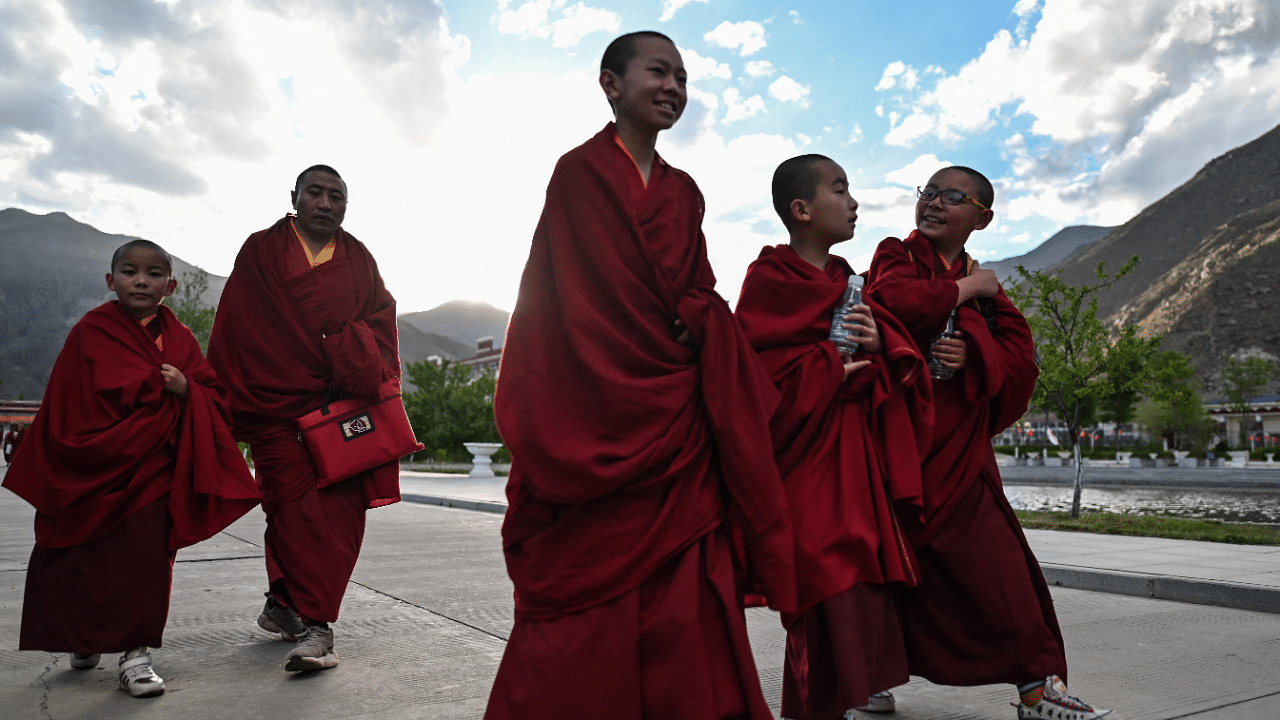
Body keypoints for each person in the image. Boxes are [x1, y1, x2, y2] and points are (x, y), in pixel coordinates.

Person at [484, 30, 795, 720]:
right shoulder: (579, 173)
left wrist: (701, 316)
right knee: (575, 639)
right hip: (594, 408)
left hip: (675, 429)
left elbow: (699, 288)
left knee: (687, 617)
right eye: (659, 72)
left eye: (683, 78)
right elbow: (574, 298)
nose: (674, 88)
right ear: (611, 84)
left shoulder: (685, 193)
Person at [865, 166, 1117, 720]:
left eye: (952, 196)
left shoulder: (987, 288)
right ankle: (866, 680)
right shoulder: (896, 256)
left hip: (959, 459)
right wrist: (962, 291)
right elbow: (892, 304)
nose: (933, 203)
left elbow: (1019, 358)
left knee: (999, 568)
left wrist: (974, 354)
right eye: (927, 192)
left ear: (982, 217)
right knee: (882, 572)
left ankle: (1037, 692)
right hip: (893, 449)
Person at [3, 240, 260, 698]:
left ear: (171, 285)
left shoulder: (179, 338)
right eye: (130, 271)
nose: (141, 280)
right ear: (111, 281)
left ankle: (136, 655)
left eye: (154, 273)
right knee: (82, 557)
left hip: (154, 472)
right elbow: (66, 401)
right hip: (94, 467)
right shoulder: (90, 331)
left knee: (145, 564)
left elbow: (213, 394)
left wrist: (186, 390)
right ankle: (84, 637)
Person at [735, 154, 932, 719]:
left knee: (859, 585)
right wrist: (827, 368)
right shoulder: (770, 279)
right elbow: (752, 379)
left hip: (854, 456)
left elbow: (894, 359)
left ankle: (846, 698)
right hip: (805, 461)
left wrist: (875, 341)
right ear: (801, 210)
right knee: (824, 581)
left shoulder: (851, 282)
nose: (854, 202)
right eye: (840, 189)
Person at [207, 165, 403, 673]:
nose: (325, 202)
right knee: (291, 514)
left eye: (336, 195)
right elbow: (237, 326)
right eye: (314, 192)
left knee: (336, 519)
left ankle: (301, 617)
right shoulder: (261, 251)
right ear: (294, 196)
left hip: (339, 409)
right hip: (276, 408)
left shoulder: (358, 260)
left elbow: (381, 322)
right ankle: (301, 617)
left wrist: (348, 350)